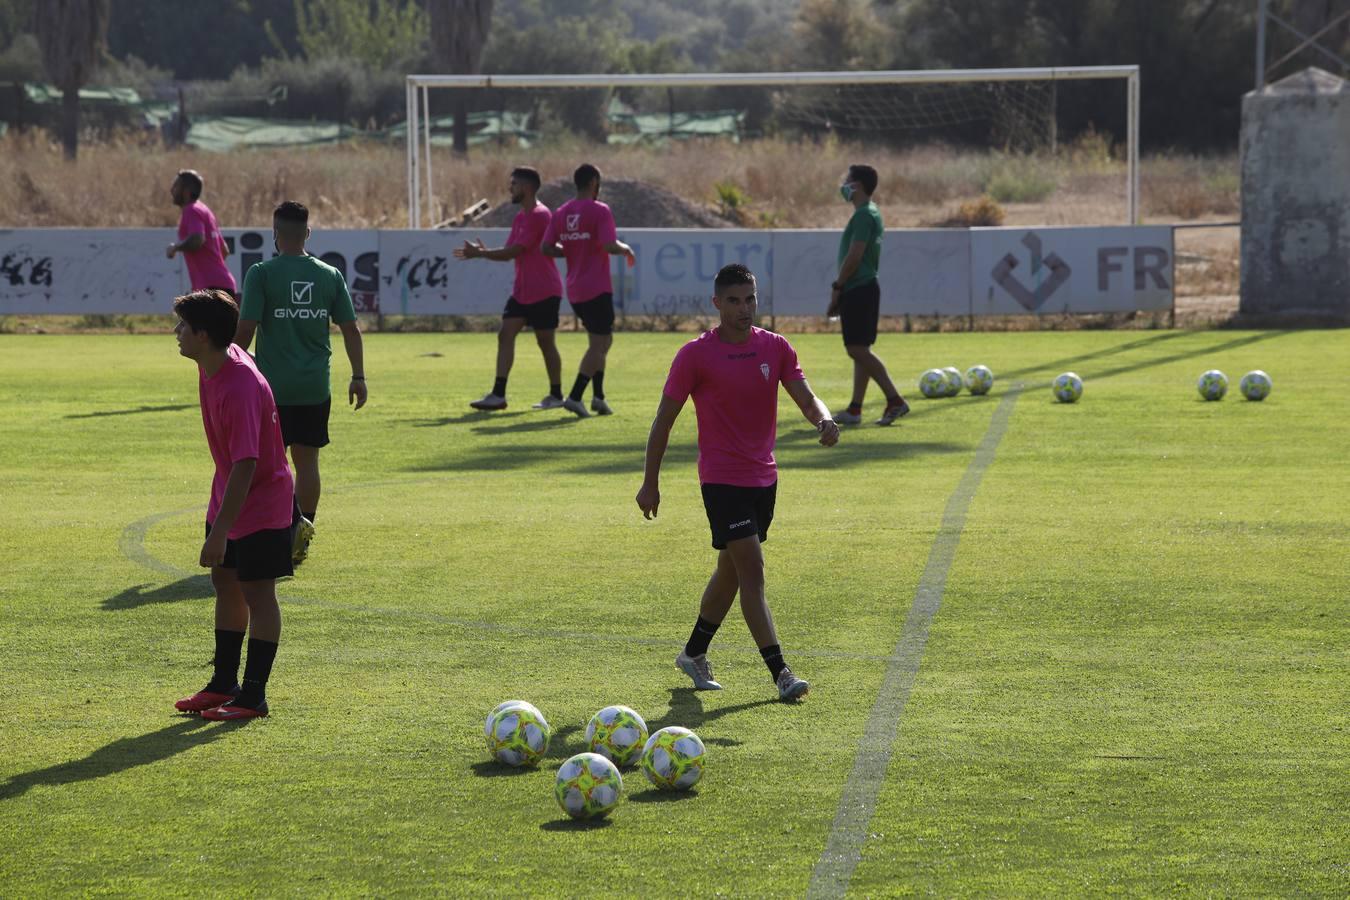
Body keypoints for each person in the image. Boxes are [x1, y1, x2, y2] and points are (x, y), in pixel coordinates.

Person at [636, 263, 840, 702]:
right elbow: (663, 421)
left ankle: (693, 653)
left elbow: (805, 396)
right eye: (734, 301)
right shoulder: (695, 355)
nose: (744, 309)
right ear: (716, 304)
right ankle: (781, 673)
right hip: (721, 479)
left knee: (730, 571)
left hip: (764, 479)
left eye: (750, 299)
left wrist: (823, 419)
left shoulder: (776, 348)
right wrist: (649, 482)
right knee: (751, 569)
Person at [172, 289, 293, 720]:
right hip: (227, 493)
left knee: (258, 594)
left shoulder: (239, 384)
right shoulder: (216, 360)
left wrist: (220, 531)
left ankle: (253, 696)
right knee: (225, 583)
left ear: (203, 335)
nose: (177, 332)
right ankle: (225, 682)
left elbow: (247, 463)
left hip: (260, 502)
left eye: (183, 326)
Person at [234, 201, 366, 565]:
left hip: (271, 389)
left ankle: (273, 530)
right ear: (308, 233)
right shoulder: (329, 274)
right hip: (313, 387)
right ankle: (303, 530)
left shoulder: (261, 273)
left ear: (274, 234)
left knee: (268, 465)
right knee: (308, 463)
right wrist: (358, 376)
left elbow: (245, 328)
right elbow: (351, 328)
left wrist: (227, 366)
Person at [455, 166, 566, 412]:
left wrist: (480, 253)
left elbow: (516, 250)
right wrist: (483, 253)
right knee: (505, 334)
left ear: (526, 188)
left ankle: (557, 394)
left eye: (514, 184)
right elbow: (509, 254)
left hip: (544, 290)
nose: (510, 188)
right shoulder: (520, 217)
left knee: (545, 342)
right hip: (522, 291)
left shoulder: (540, 215)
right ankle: (498, 394)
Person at [542, 163, 635, 418]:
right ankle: (574, 397)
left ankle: (598, 397)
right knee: (599, 343)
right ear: (594, 182)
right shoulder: (599, 210)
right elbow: (608, 244)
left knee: (604, 340)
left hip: (574, 289)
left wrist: (572, 249)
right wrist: (625, 248)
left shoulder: (561, 212)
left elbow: (546, 248)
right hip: (596, 287)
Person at [827, 164, 909, 426]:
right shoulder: (872, 213)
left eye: (847, 180)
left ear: (858, 185)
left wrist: (838, 286)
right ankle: (855, 409)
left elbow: (855, 254)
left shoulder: (863, 215)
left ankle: (894, 399)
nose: (844, 185)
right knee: (861, 350)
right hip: (865, 286)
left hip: (858, 287)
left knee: (856, 349)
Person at [167, 169, 236, 298]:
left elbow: (197, 240)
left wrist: (175, 247)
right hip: (223, 285)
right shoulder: (205, 211)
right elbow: (224, 250)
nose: (171, 190)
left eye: (175, 186)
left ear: (186, 192)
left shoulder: (191, 210)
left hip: (210, 288)